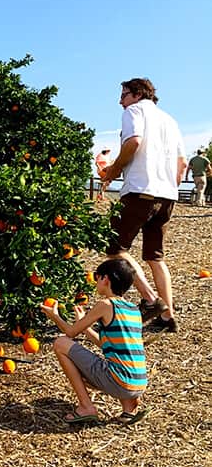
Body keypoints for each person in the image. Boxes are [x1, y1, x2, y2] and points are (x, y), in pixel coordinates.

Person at [101, 78, 187, 333]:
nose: (121, 101)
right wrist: (168, 186)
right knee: (155, 257)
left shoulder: (134, 111)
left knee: (116, 249)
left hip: (140, 191)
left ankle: (151, 301)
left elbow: (134, 142)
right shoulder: (170, 121)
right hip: (167, 196)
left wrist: (114, 170)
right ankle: (167, 317)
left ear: (137, 94)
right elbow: (181, 165)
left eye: (124, 95)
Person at [40, 258, 147, 425]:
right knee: (120, 362)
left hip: (119, 381)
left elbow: (69, 333)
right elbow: (107, 345)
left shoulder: (106, 304)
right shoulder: (134, 310)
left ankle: (86, 407)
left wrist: (54, 316)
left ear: (106, 279)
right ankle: (129, 409)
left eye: (97, 276)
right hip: (138, 383)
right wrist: (85, 325)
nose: (96, 280)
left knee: (60, 343)